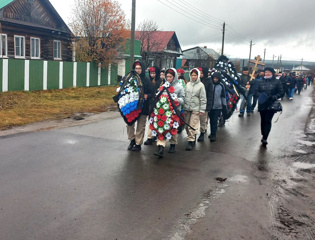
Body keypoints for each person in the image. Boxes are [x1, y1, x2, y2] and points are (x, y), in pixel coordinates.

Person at [154, 68, 185, 157]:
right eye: (167, 76)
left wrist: (176, 100)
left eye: (170, 77)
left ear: (174, 77)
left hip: (174, 112)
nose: (168, 78)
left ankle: (172, 144)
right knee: (162, 128)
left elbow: (183, 99)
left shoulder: (179, 87)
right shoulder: (163, 86)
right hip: (163, 112)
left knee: (172, 129)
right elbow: (159, 96)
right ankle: (161, 147)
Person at [127, 61, 154, 151]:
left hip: (143, 107)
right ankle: (132, 140)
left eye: (139, 68)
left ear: (142, 69)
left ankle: (138, 144)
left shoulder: (146, 80)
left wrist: (147, 96)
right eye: (136, 68)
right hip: (132, 107)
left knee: (140, 126)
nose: (137, 70)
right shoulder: (131, 79)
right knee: (129, 124)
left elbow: (152, 93)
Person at [256, 67, 284, 147]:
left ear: (272, 73)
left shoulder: (277, 82)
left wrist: (274, 97)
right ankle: (263, 133)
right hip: (262, 103)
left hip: (272, 104)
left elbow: (281, 92)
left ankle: (265, 137)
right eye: (266, 72)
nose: (267, 73)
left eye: (269, 72)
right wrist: (261, 96)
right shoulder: (260, 81)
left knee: (268, 120)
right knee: (263, 120)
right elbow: (256, 91)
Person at [184, 68, 207, 151]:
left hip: (196, 108)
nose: (193, 77)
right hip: (187, 108)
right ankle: (192, 136)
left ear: (197, 76)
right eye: (192, 75)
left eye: (195, 75)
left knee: (192, 125)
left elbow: (203, 98)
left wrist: (202, 109)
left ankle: (190, 141)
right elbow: (185, 95)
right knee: (186, 125)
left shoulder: (201, 85)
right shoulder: (188, 85)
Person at [144, 66, 164, 145]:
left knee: (158, 120)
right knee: (151, 120)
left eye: (154, 73)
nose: (152, 75)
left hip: (158, 103)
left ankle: (157, 134)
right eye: (151, 73)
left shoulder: (161, 81)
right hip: (149, 103)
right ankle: (150, 137)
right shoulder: (148, 80)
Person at [208, 72, 227, 142]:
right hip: (210, 106)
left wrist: (224, 105)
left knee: (215, 120)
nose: (215, 79)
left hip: (217, 106)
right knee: (211, 120)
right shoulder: (210, 85)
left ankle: (213, 134)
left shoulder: (221, 86)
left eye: (216, 78)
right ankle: (211, 132)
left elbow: (223, 96)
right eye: (214, 78)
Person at [197, 67, 213, 142]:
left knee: (203, 120)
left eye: (202, 73)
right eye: (199, 73)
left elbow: (210, 95)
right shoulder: (197, 81)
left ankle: (202, 133)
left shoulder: (209, 82)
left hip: (204, 103)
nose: (200, 74)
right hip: (196, 103)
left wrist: (208, 105)